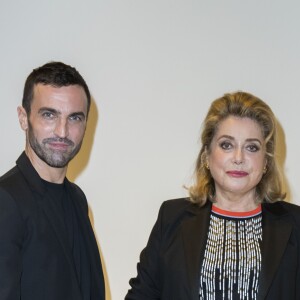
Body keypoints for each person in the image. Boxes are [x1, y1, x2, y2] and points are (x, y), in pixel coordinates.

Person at [125, 91, 300, 300]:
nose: (238, 158)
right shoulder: (172, 218)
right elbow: (142, 295)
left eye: (252, 147)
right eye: (227, 145)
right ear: (207, 155)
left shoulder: (295, 225)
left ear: (266, 161)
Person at [0, 62, 105, 300]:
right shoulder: (6, 201)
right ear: (23, 118)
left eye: (75, 118)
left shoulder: (77, 199)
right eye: (49, 115)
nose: (62, 132)